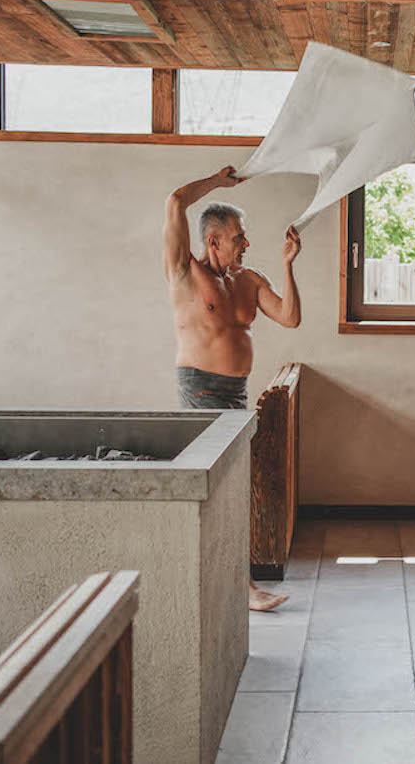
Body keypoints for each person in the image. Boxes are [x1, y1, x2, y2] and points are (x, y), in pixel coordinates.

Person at [165, 165, 302, 611]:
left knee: (234, 489)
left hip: (236, 395)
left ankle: (231, 586)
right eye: (239, 237)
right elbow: (175, 201)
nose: (246, 243)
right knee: (219, 489)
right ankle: (239, 589)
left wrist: (287, 266)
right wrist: (217, 183)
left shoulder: (248, 280)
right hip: (200, 391)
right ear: (213, 241)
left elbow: (289, 317)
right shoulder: (185, 274)